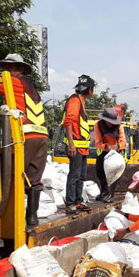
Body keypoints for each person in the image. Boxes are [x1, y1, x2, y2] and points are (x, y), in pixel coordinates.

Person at [0, 53, 48, 226]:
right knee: (34, 180)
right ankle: (32, 217)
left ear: (19, 69)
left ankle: (13, 218)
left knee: (14, 177)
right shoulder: (31, 88)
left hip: (25, 137)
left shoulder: (12, 82)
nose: (5, 71)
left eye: (9, 67)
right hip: (41, 137)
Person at [62, 74, 96, 215]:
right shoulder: (75, 101)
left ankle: (78, 200)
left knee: (81, 176)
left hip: (82, 147)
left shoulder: (80, 101)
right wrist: (71, 144)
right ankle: (70, 203)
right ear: (89, 90)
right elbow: (68, 122)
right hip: (75, 146)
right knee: (74, 175)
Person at [94, 107, 126, 203]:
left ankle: (110, 194)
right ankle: (104, 192)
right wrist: (106, 147)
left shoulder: (119, 126)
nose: (110, 123)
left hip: (116, 152)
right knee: (100, 169)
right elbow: (98, 142)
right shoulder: (98, 125)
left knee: (113, 170)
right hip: (105, 150)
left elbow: (123, 141)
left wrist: (117, 147)